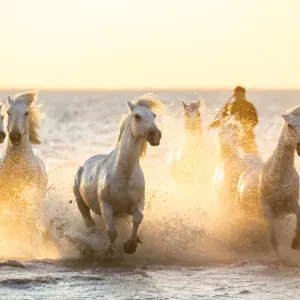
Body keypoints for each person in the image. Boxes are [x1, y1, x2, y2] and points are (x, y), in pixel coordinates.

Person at [209, 86, 258, 154]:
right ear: (234, 95)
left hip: (247, 136)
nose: (238, 97)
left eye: (240, 95)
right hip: (234, 136)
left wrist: (246, 126)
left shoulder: (250, 106)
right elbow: (223, 119)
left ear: (244, 95)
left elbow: (255, 121)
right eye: (237, 95)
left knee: (251, 153)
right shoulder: (230, 106)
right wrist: (213, 125)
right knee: (226, 150)